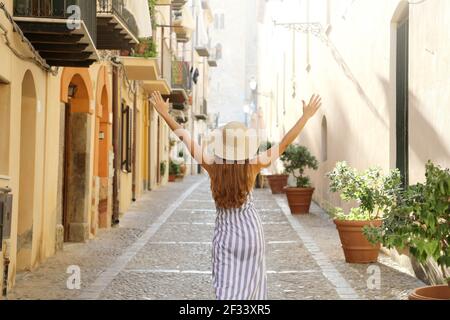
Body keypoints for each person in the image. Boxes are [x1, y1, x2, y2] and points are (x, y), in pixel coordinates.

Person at [150, 92, 322, 300]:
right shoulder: (253, 165)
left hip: (226, 236)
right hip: (251, 233)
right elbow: (284, 144)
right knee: (252, 290)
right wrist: (305, 117)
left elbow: (184, 137)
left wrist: (164, 113)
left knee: (227, 290)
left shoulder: (213, 166)